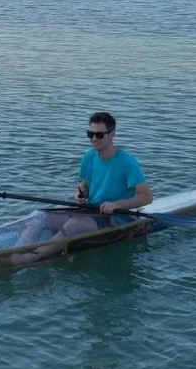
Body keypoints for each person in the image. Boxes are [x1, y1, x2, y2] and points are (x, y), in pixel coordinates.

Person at [12, 111, 152, 261]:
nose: (94, 139)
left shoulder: (127, 161)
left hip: (116, 218)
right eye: (90, 134)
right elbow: (85, 184)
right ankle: (14, 252)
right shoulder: (89, 156)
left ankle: (28, 259)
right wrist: (81, 194)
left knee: (73, 225)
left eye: (99, 135)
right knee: (42, 216)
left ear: (112, 134)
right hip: (90, 211)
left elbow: (146, 196)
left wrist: (116, 204)